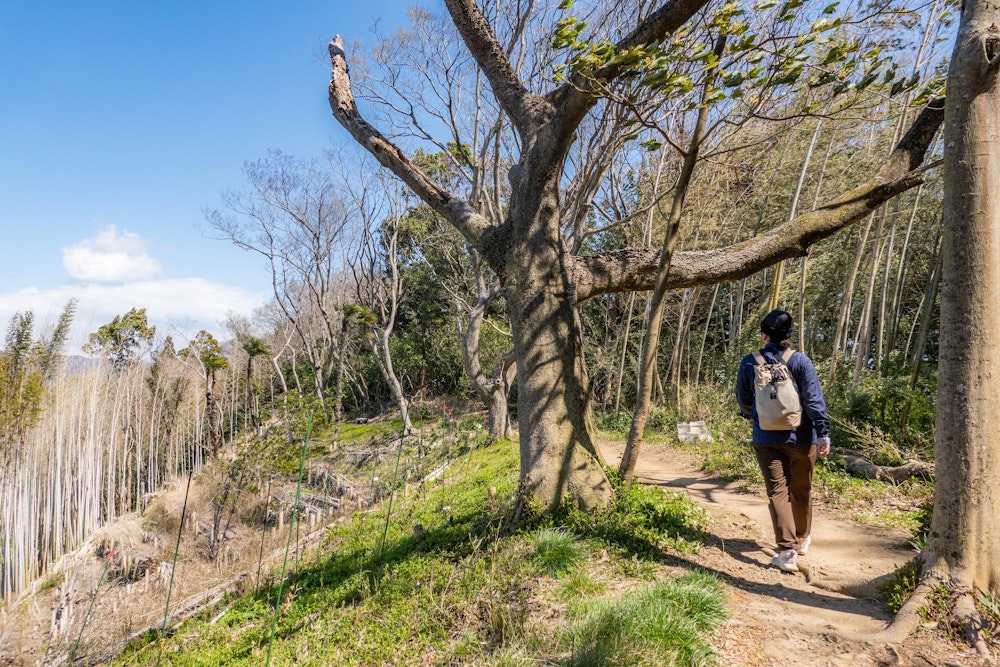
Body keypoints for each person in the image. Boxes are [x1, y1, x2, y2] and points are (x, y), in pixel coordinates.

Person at [736, 309, 831, 573]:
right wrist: (823, 433)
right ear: (789, 336)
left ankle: (787, 552)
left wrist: (752, 417)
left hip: (766, 437)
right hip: (802, 438)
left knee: (778, 491)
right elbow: (813, 400)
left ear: (764, 335)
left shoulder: (750, 362)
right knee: (801, 488)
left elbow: (743, 398)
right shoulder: (800, 361)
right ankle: (801, 538)